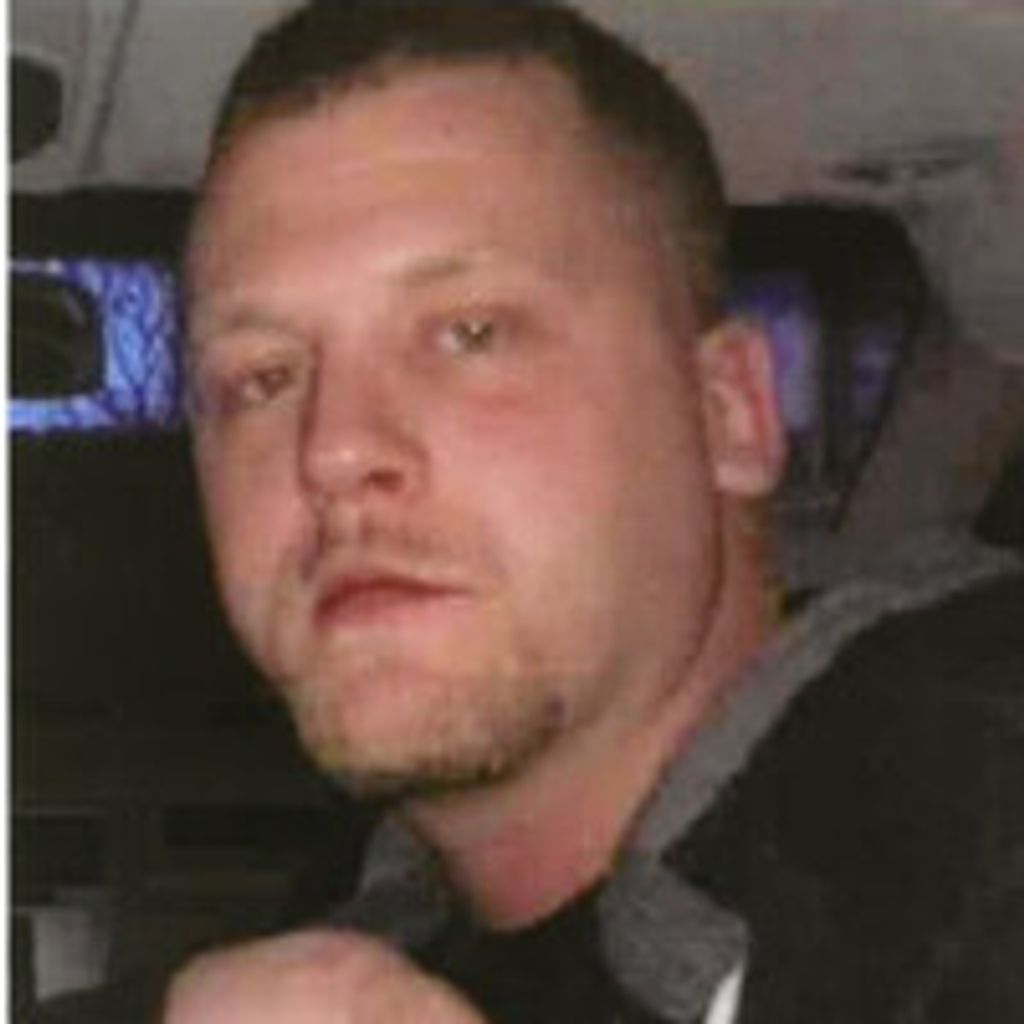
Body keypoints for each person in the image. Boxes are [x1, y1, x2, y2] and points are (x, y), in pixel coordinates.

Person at [166, 2, 1024, 1021]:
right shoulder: (344, 940)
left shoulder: (976, 805)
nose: (334, 450)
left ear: (727, 414)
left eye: (471, 332)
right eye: (261, 378)